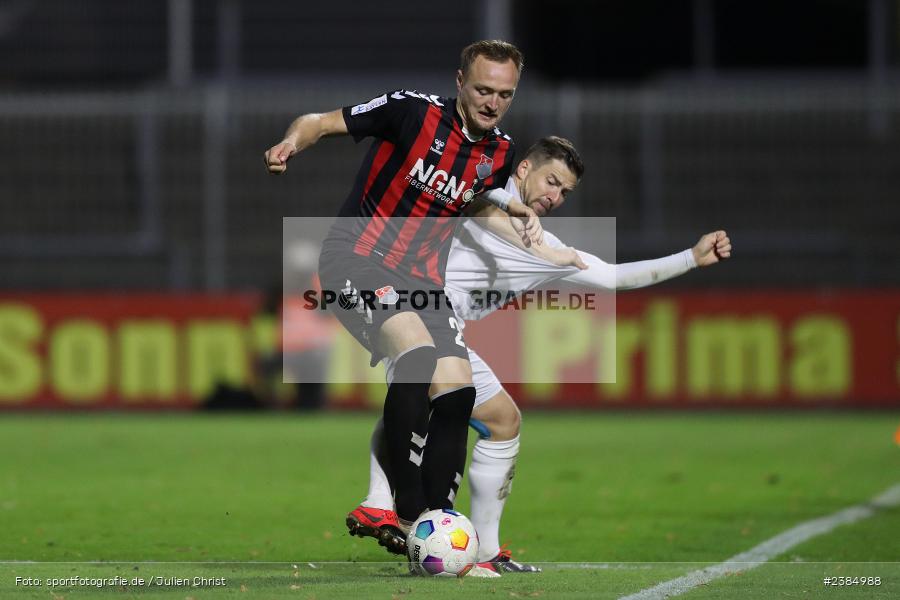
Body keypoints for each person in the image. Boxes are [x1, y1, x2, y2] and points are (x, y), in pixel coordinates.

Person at [347, 136, 733, 574]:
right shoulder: (485, 198)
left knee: (502, 421)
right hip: (409, 306)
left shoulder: (543, 248)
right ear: (524, 168)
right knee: (427, 394)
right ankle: (384, 503)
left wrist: (691, 258)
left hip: (448, 330)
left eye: (565, 191)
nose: (556, 196)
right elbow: (468, 193)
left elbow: (613, 277)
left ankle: (485, 551)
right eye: (552, 181)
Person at [265, 41, 549, 547]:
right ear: (459, 80)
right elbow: (320, 121)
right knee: (416, 355)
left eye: (504, 94)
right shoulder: (410, 112)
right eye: (483, 89)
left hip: (422, 280)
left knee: (458, 391)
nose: (492, 102)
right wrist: (290, 143)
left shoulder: (501, 152)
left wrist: (518, 225)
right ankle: (407, 510)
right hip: (355, 258)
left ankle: (435, 525)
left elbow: (472, 201)